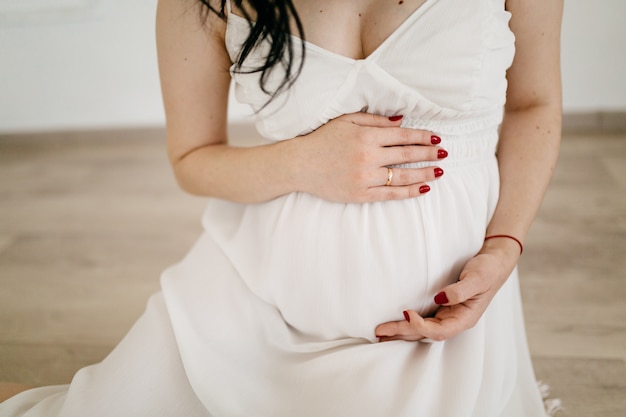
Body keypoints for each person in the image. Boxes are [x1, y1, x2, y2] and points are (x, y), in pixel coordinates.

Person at [0, 0, 563, 415]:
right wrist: (303, 162)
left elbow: (533, 103)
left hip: (439, 328)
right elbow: (192, 159)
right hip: (258, 307)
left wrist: (503, 245)